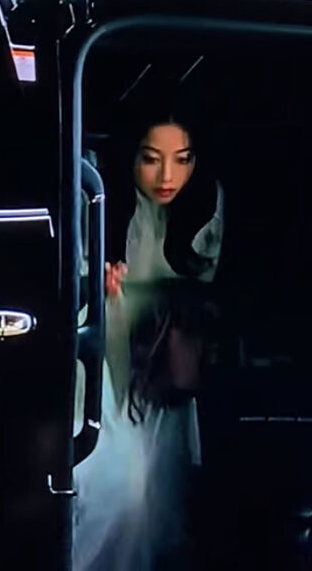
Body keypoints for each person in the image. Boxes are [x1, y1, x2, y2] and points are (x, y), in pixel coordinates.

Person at [73, 110, 225, 571]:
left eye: (182, 159)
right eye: (152, 159)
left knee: (160, 499)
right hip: (102, 361)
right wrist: (99, 288)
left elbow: (201, 288)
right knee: (119, 488)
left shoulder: (204, 203)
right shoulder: (95, 197)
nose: (167, 177)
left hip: (160, 364)